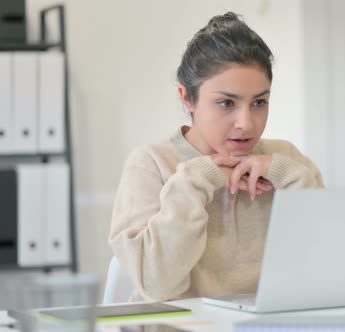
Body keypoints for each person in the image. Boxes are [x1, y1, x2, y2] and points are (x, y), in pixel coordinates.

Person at [108, 12, 324, 302]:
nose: (246, 123)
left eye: (259, 102)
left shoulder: (286, 160)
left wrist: (292, 178)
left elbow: (324, 272)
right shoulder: (151, 164)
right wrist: (196, 181)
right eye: (226, 103)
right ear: (188, 98)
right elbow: (157, 286)